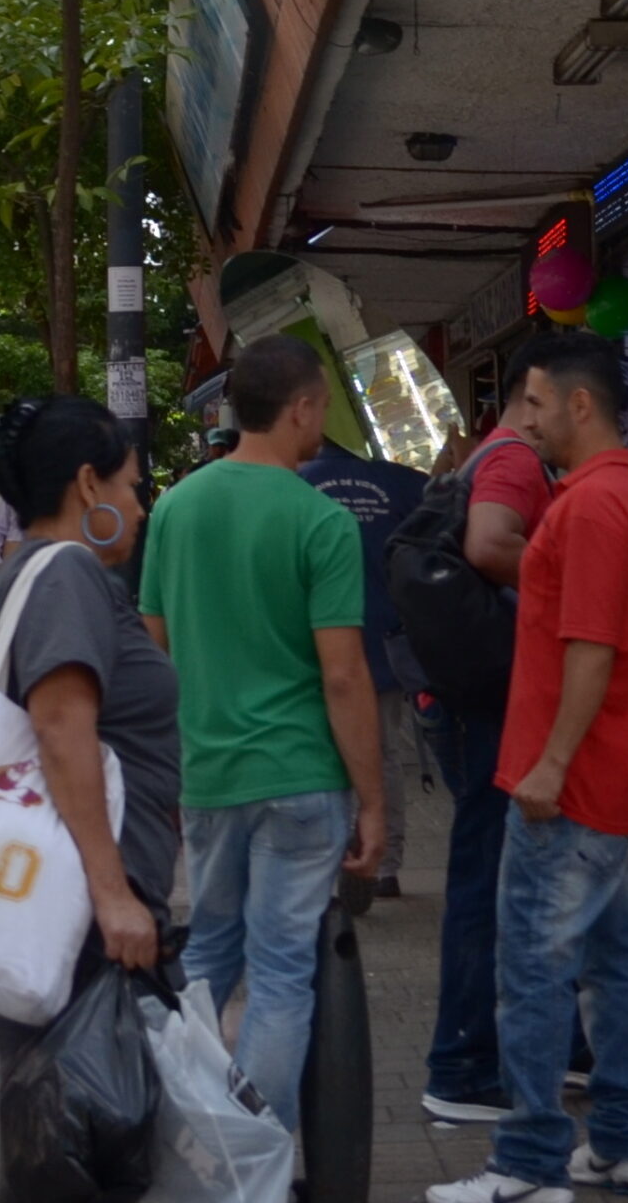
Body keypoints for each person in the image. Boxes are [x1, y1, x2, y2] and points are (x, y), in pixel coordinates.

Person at [429, 332, 628, 1203]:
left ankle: (530, 1165)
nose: (526, 421)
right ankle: (625, 1143)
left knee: (533, 973)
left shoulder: (586, 509)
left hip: (568, 789)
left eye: (537, 404)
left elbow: (590, 647)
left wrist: (548, 765)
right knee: (616, 964)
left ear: (580, 405)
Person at [139, 335, 386, 1131]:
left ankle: (190, 1137)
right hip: (302, 776)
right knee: (282, 977)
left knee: (207, 957)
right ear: (303, 407)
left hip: (208, 774)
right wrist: (373, 801)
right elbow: (344, 675)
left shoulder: (175, 508)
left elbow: (154, 646)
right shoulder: (322, 521)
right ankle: (249, 1156)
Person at [0, 398, 181, 1157]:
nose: (140, 506)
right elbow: (61, 728)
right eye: (132, 485)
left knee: (58, 1131)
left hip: (58, 901)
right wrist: (114, 895)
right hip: (77, 911)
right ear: (89, 485)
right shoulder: (66, 575)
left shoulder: (31, 576)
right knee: (84, 1134)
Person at [421, 366, 564, 1126]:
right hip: (490, 700)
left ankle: (557, 1047)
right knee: (484, 877)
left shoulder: (485, 455)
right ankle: (464, 1064)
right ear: (534, 400)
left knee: (515, 869)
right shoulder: (511, 459)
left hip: (472, 698)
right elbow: (488, 545)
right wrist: (571, 582)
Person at [299, 434, 430, 898]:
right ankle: (386, 862)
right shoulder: (400, 483)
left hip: (319, 645)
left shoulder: (296, 484)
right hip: (386, 641)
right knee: (385, 753)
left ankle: (337, 861)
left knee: (328, 755)